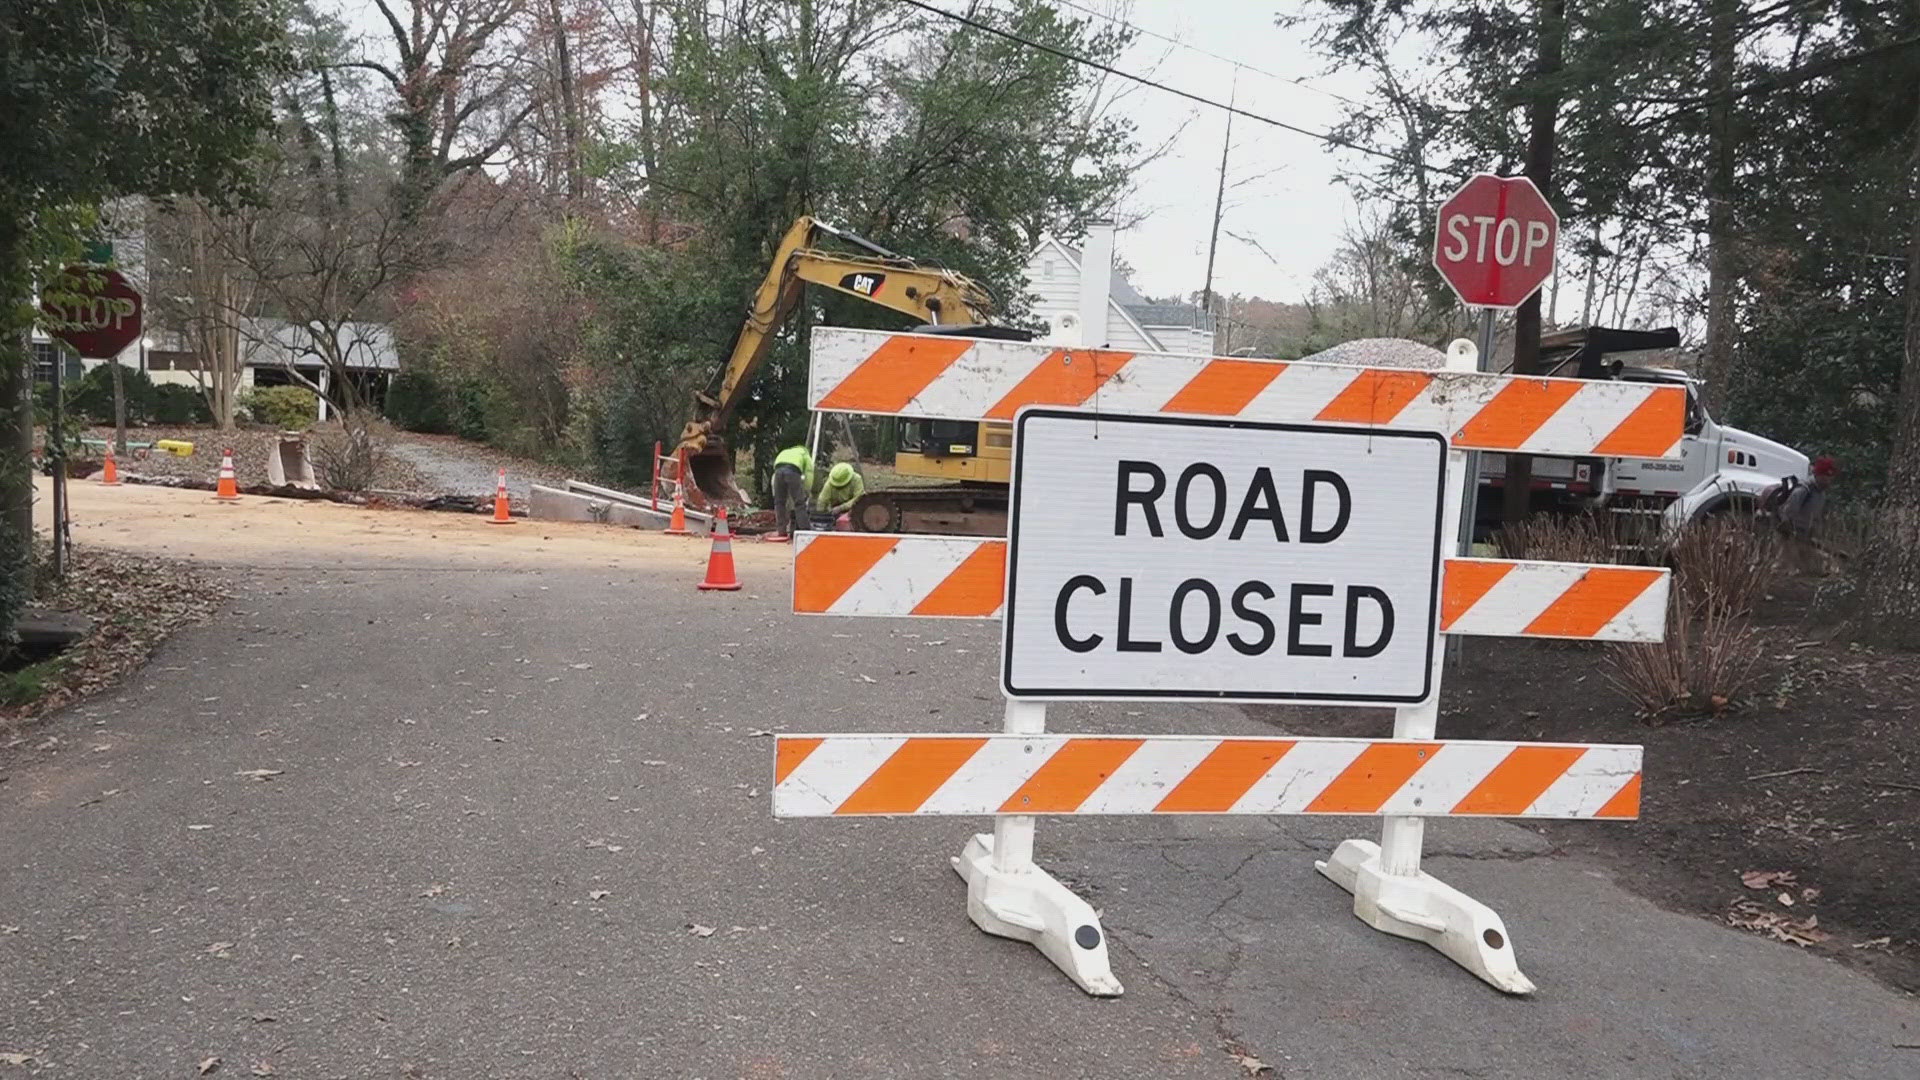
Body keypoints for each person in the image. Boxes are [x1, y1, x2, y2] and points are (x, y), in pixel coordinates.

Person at [1777, 455, 1836, 572]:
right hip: (1792, 534)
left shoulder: (1821, 494)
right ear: (1818, 475)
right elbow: (1788, 510)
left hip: (1806, 535)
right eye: (1825, 476)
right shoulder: (1804, 489)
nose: (1828, 480)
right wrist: (1789, 528)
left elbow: (1816, 516)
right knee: (1786, 566)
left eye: (1830, 477)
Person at [769, 443, 814, 540]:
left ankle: (781, 531)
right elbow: (809, 474)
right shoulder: (805, 455)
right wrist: (806, 491)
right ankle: (804, 531)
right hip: (792, 471)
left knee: (779, 503)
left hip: (778, 471)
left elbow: (776, 469)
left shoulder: (785, 452)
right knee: (799, 503)